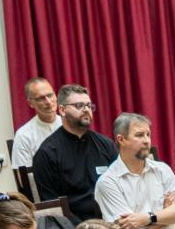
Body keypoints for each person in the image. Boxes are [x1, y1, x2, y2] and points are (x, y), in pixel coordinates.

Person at [32, 84, 116, 221]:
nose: (86, 110)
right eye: (79, 105)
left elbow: (121, 186)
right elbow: (53, 207)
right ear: (62, 110)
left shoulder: (106, 145)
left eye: (89, 106)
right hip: (74, 225)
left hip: (112, 218)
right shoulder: (47, 153)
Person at [11, 77, 60, 169]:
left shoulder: (71, 125)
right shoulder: (23, 135)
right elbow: (23, 175)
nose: (48, 102)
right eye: (41, 98)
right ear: (30, 103)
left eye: (50, 95)